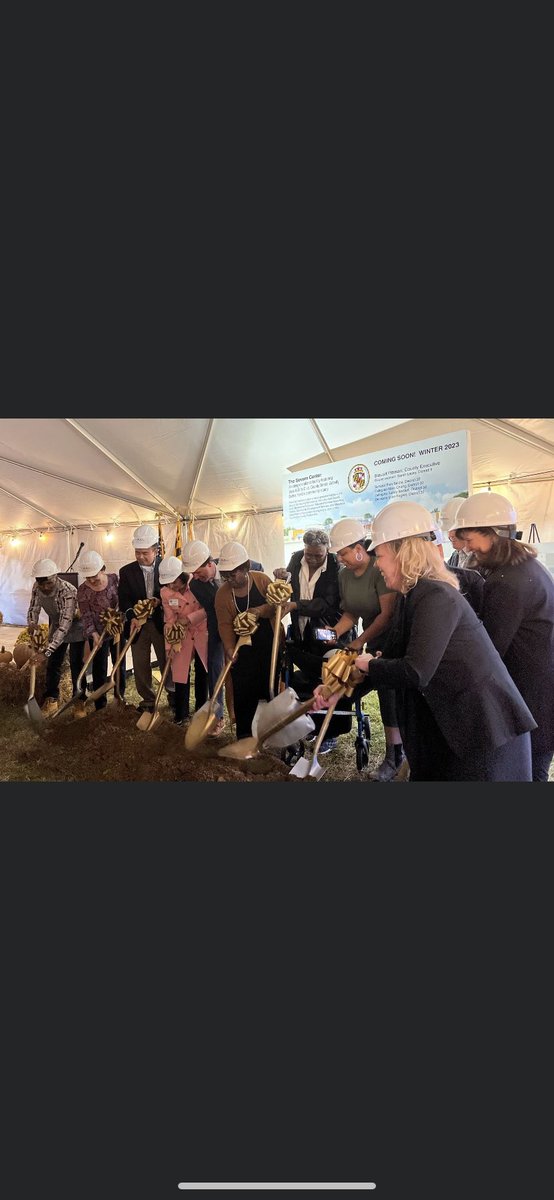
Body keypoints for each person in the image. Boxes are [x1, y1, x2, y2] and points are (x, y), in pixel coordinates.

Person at [313, 501, 536, 782]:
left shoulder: (435, 595)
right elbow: (389, 660)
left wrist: (368, 664)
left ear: (403, 552)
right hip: (453, 729)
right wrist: (341, 690)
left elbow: (416, 671)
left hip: (484, 734)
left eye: (380, 556)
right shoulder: (411, 596)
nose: (378, 565)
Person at [454, 491, 554, 783]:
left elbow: (491, 649)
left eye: (471, 540)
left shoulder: (508, 582)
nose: (470, 550)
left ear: (494, 535)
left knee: (529, 769)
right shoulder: (527, 566)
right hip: (542, 686)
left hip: (531, 692)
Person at [326, 518, 405, 782]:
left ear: (359, 547)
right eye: (338, 554)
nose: (341, 559)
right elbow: (351, 611)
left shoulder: (379, 569)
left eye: (344, 553)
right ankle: (395, 754)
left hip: (394, 639)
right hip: (371, 641)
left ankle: (396, 756)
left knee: (391, 698)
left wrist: (357, 642)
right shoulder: (343, 575)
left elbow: (387, 614)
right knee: (375, 693)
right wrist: (336, 632)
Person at [274, 528, 348, 754]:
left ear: (327, 550)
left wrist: (297, 605)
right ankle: (313, 724)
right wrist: (281, 577)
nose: (313, 558)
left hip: (329, 631)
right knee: (308, 678)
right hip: (302, 631)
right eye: (309, 554)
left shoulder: (336, 565)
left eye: (318, 555)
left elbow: (329, 603)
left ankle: (332, 732)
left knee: (334, 678)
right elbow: (288, 584)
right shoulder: (297, 557)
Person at [214, 541, 283, 741]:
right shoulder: (222, 595)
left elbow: (277, 606)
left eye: (232, 574)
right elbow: (224, 624)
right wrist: (228, 648)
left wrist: (259, 611)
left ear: (245, 568)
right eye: (225, 574)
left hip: (268, 644)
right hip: (241, 648)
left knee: (268, 686)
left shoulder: (261, 580)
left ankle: (270, 732)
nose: (228, 579)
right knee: (243, 690)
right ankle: (245, 735)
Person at [118, 524, 174, 714]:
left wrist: (160, 600)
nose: (141, 556)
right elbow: (124, 599)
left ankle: (172, 695)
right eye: (137, 552)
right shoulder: (126, 572)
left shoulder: (167, 567)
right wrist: (132, 616)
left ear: (156, 550)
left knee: (166, 660)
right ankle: (148, 700)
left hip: (162, 623)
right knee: (140, 663)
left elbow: (175, 591)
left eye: (145, 553)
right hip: (138, 626)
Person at [27, 558, 86, 717]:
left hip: (75, 626)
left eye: (49, 583)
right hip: (56, 624)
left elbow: (65, 625)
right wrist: (32, 623)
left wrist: (45, 651)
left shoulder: (68, 591)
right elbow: (34, 607)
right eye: (42, 584)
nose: (45, 588)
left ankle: (79, 700)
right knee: (53, 663)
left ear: (56, 576)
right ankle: (52, 699)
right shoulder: (37, 587)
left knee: (76, 664)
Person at [159, 556, 210, 727]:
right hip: (181, 634)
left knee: (203, 671)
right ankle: (181, 714)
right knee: (180, 674)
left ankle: (201, 710)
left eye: (173, 582)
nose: (171, 586)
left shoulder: (196, 585)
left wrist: (189, 619)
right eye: (167, 583)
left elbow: (207, 609)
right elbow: (169, 619)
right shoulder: (165, 592)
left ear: (182, 577)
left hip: (201, 630)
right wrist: (170, 645)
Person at [181, 540, 225, 737]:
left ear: (210, 563)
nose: (196, 576)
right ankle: (218, 716)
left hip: (246, 625)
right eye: (193, 573)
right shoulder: (196, 585)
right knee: (214, 669)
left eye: (199, 571)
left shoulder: (230, 567)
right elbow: (211, 610)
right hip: (217, 628)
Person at [77, 550, 127, 711]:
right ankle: (101, 705)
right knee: (100, 668)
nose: (91, 580)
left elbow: (123, 600)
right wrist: (94, 634)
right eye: (88, 577)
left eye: (95, 575)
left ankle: (120, 697)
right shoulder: (83, 590)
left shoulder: (114, 580)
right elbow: (86, 615)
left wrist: (118, 617)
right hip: (97, 633)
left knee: (119, 663)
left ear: (102, 569)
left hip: (117, 629)